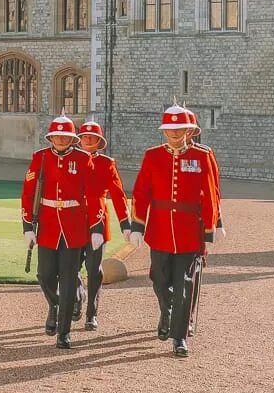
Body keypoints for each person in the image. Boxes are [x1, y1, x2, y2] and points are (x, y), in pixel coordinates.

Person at [129, 106, 224, 358]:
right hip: (159, 228)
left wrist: (211, 227)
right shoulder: (152, 156)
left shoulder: (202, 156)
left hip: (188, 231)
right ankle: (167, 313)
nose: (174, 133)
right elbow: (141, 193)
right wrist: (138, 226)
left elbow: (211, 194)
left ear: (189, 131)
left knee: (184, 285)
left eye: (179, 129)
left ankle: (179, 336)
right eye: (170, 129)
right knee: (159, 281)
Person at [20, 116, 101, 349]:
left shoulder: (83, 159)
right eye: (57, 135)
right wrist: (27, 226)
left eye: (65, 136)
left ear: (72, 139)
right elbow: (28, 193)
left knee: (67, 280)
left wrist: (96, 226)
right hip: (47, 225)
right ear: (51, 137)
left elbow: (93, 195)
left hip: (73, 227)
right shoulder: (40, 158)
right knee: (45, 275)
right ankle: (55, 305)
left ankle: (64, 332)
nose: (61, 139)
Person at [76, 120, 129, 330]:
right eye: (84, 137)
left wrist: (126, 223)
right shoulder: (73, 160)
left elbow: (117, 194)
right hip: (73, 219)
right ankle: (77, 294)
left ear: (99, 142)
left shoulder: (107, 163)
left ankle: (92, 313)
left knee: (94, 268)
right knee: (70, 267)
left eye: (92, 138)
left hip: (97, 220)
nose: (88, 141)